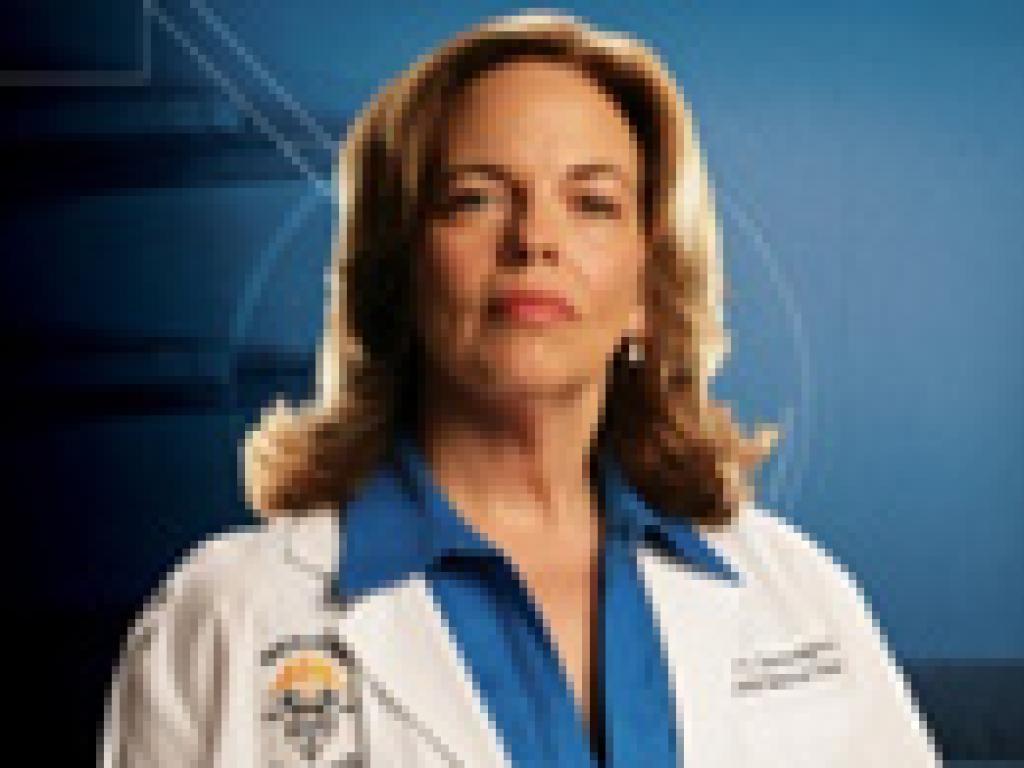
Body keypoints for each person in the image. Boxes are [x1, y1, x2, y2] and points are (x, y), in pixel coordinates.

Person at [101, 12, 941, 767]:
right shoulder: (229, 616)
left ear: (647, 289)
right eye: (475, 199)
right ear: (398, 272)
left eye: (592, 202)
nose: (535, 238)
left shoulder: (802, 598)